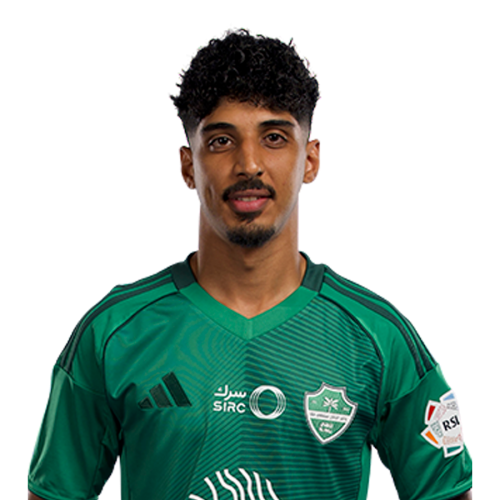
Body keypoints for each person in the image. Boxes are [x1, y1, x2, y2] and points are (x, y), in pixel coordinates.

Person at [27, 28, 473, 500]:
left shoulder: (379, 337)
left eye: (274, 137)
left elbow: (447, 492)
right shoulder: (113, 332)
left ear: (311, 160)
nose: (249, 164)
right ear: (187, 165)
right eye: (221, 141)